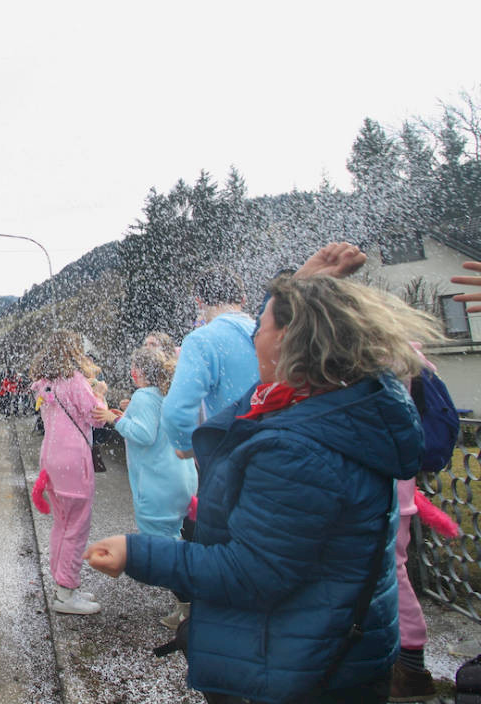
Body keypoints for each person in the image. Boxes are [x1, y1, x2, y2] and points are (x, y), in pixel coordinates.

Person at [85, 275, 441, 704]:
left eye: (261, 326)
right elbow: (241, 412)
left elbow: (249, 571)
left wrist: (135, 553)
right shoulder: (338, 406)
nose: (252, 336)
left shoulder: (297, 450)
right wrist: (302, 292)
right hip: (335, 640)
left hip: (308, 662)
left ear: (289, 340)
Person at [95, 345, 197, 628]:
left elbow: (144, 434)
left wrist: (115, 419)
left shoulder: (143, 395)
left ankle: (189, 607)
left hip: (158, 482)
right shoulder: (168, 393)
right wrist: (125, 416)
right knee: (176, 540)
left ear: (138, 371)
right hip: (181, 477)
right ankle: (188, 604)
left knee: (164, 548)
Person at [29, 332, 106, 615]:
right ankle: (66, 592)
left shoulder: (44, 384)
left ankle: (62, 584)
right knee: (76, 527)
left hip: (51, 460)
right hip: (73, 460)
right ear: (73, 351)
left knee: (62, 524)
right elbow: (97, 417)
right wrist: (100, 395)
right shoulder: (75, 381)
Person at [159, 267, 259, 459]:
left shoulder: (201, 340)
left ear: (199, 301)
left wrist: (186, 445)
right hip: (272, 448)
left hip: (230, 453)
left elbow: (175, 411)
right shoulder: (264, 331)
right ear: (243, 299)